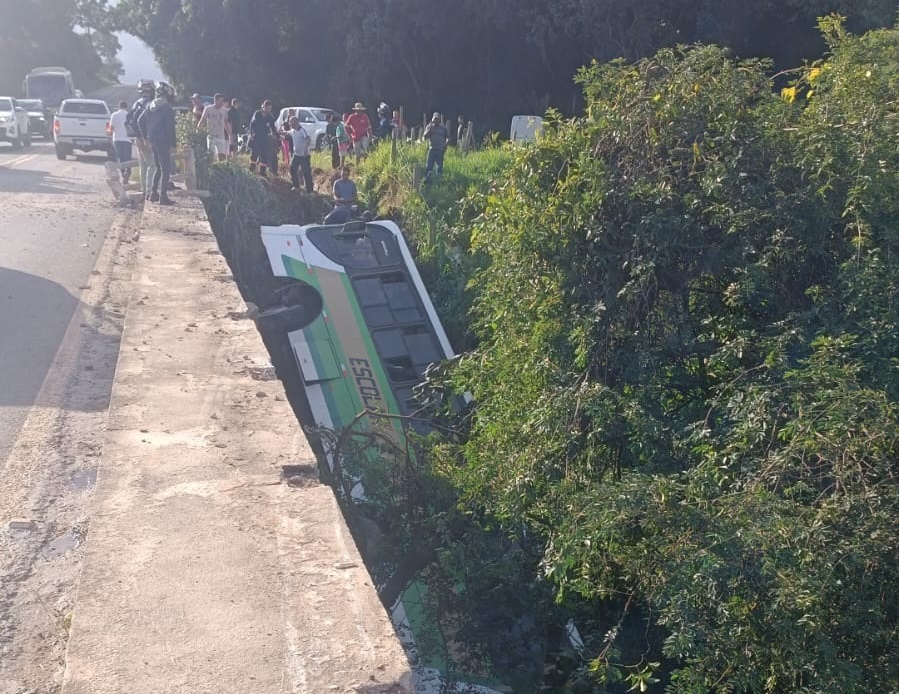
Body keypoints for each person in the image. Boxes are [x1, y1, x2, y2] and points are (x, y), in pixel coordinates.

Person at [138, 82, 177, 205]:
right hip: (163, 141)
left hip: (152, 140)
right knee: (166, 169)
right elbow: (170, 128)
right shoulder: (167, 108)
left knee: (158, 167)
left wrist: (145, 136)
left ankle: (153, 194)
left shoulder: (149, 106)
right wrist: (173, 145)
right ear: (168, 95)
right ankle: (163, 197)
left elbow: (139, 121)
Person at [128, 80, 156, 198]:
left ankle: (144, 189)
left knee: (143, 165)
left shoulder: (136, 103)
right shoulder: (150, 104)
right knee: (153, 165)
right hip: (147, 138)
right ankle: (150, 191)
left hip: (137, 138)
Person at [248, 100, 278, 177]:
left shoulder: (270, 117)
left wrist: (276, 135)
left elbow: (273, 128)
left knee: (264, 156)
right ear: (263, 107)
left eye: (270, 108)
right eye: (267, 108)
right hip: (256, 137)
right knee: (254, 154)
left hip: (265, 138)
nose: (269, 110)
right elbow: (252, 124)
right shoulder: (257, 114)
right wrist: (251, 134)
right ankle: (251, 169)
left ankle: (262, 172)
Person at [197, 93, 231, 162]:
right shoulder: (208, 109)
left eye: (222, 101)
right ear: (215, 100)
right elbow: (202, 120)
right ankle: (211, 169)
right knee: (211, 155)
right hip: (211, 135)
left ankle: (221, 170)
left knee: (222, 155)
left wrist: (229, 134)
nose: (222, 103)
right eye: (220, 101)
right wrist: (198, 129)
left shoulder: (224, 110)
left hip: (221, 135)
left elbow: (226, 123)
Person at [287, 115, 313, 193]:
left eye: (291, 123)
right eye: (290, 123)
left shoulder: (302, 130)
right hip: (296, 155)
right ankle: (296, 186)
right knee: (292, 169)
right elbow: (287, 133)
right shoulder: (293, 130)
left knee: (306, 172)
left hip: (304, 156)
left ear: (296, 123)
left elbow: (308, 139)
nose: (290, 124)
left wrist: (305, 148)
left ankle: (310, 190)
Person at [109, 100, 133, 184]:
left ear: (119, 106)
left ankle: (123, 175)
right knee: (128, 158)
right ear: (126, 107)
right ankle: (128, 172)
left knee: (121, 158)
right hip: (127, 139)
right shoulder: (129, 115)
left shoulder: (114, 115)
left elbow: (111, 128)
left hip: (117, 139)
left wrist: (110, 135)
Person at [423, 112, 449, 183]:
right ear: (432, 119)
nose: (436, 120)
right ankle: (427, 180)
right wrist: (430, 129)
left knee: (439, 167)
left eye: (437, 119)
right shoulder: (429, 126)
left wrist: (445, 145)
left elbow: (448, 138)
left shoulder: (443, 128)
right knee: (429, 166)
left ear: (439, 120)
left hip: (440, 150)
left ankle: (438, 181)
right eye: (435, 119)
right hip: (432, 149)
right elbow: (424, 136)